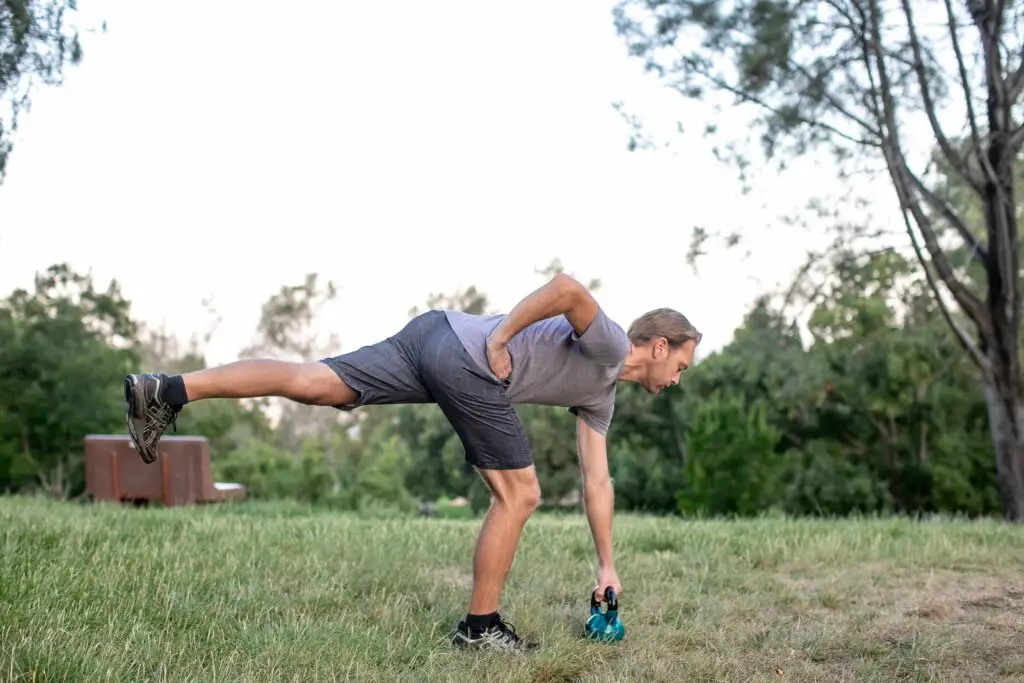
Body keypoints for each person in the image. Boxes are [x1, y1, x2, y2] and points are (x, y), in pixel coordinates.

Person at [123, 272, 701, 652]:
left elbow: (597, 481)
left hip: (433, 334)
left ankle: (167, 390)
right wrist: (501, 339)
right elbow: (568, 288)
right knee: (520, 495)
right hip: (469, 357)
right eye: (680, 365)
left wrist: (607, 566)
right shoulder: (609, 345)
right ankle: (480, 628)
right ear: (657, 347)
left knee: (316, 382)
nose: (677, 379)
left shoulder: (601, 394)